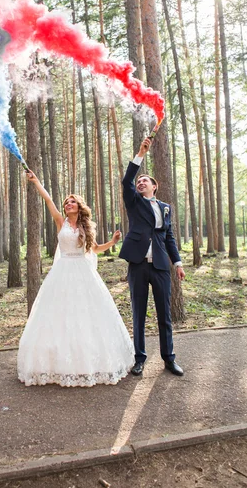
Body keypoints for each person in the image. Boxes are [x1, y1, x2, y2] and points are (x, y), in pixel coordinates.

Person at [17, 171, 134, 387]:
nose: (68, 204)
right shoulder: (60, 222)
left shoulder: (85, 228)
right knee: (59, 314)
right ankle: (55, 364)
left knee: (86, 314)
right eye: (67, 202)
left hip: (83, 272)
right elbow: (48, 200)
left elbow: (96, 249)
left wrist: (113, 241)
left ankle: (87, 362)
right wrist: (37, 181)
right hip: (62, 272)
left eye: (73, 202)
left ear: (79, 207)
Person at [119, 137, 185, 377]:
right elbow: (126, 180)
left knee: (164, 315)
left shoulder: (165, 207)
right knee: (138, 314)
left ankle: (169, 359)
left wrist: (177, 263)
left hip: (160, 266)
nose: (140, 182)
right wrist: (140, 154)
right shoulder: (134, 202)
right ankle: (139, 359)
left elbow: (169, 238)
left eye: (145, 180)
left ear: (154, 186)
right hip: (137, 264)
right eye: (139, 181)